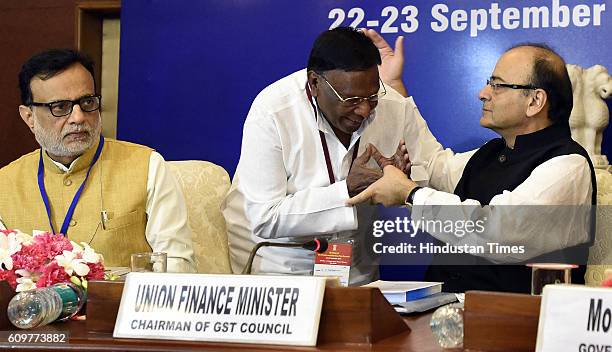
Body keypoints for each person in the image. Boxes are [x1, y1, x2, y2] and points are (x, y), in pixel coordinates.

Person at [348, 43, 597, 293]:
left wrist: (411, 194)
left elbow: (498, 234)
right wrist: (392, 92)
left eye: (497, 85)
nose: (483, 93)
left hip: (514, 322)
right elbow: (433, 165)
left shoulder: (568, 165)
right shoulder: (490, 153)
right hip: (442, 312)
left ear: (535, 101)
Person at [222, 27, 440, 285]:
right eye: (351, 99)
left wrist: (402, 183)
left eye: (372, 97)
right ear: (315, 83)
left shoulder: (392, 106)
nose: (364, 110)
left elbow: (430, 174)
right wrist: (345, 190)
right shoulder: (273, 111)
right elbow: (265, 217)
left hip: (355, 269)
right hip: (280, 267)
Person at [0, 49, 195, 272]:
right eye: (60, 107)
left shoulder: (148, 166)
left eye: (87, 102)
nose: (78, 117)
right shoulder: (4, 185)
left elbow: (178, 268)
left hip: (124, 306)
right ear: (29, 117)